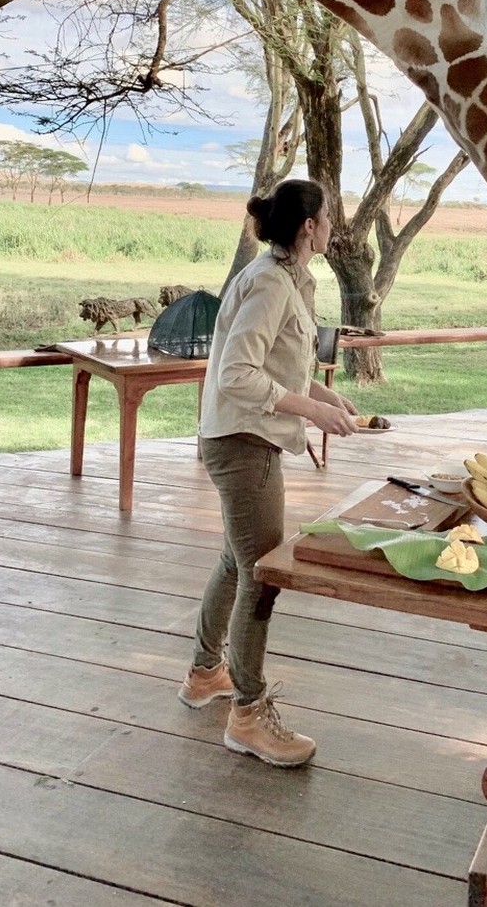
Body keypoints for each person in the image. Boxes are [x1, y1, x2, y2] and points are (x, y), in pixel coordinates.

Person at [177, 179, 357, 766]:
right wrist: (311, 411)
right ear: (310, 226)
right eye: (330, 216)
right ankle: (249, 715)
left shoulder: (288, 279)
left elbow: (275, 364)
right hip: (242, 443)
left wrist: (325, 397)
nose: (335, 225)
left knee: (238, 558)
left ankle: (206, 674)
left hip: (246, 438)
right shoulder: (269, 283)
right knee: (263, 571)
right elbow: (237, 374)